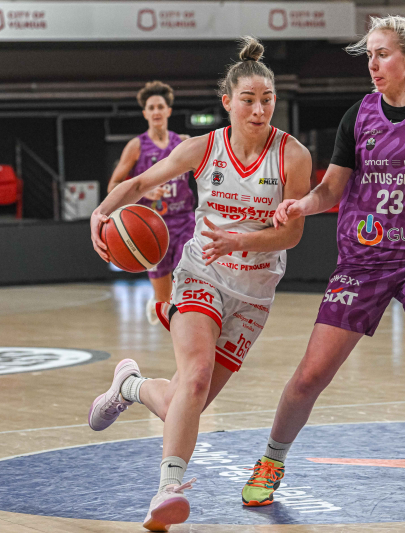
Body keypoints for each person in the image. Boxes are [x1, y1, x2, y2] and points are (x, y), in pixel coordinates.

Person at [241, 15, 405, 509]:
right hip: (363, 260)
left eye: (382, 54)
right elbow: (331, 189)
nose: (373, 65)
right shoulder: (358, 116)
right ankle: (271, 461)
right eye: (369, 55)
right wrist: (302, 205)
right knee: (311, 375)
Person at [87, 37, 311, 531]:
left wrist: (241, 241)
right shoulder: (203, 148)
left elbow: (293, 234)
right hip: (200, 273)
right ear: (227, 102)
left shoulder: (292, 156)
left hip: (254, 294)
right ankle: (167, 490)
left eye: (267, 100)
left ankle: (130, 385)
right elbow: (138, 184)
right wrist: (101, 213)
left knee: (183, 404)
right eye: (248, 100)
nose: (259, 110)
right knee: (194, 377)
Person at [106, 81, 195, 324]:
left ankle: (188, 325)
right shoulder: (136, 146)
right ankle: (158, 302)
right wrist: (146, 191)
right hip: (152, 226)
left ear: (168, 111)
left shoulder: (183, 142)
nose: (156, 111)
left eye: (160, 107)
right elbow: (113, 186)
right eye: (151, 108)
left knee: (188, 276)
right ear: (145, 113)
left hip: (185, 219)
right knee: (164, 299)